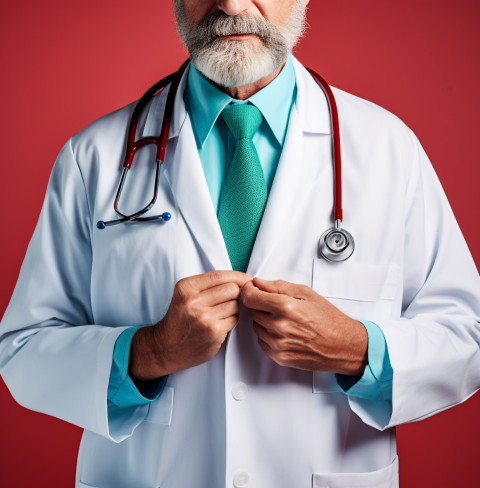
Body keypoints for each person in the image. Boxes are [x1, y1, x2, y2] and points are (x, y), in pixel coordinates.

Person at [0, 0, 479, 487]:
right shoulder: (95, 157)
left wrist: (358, 349)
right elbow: (24, 349)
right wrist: (147, 353)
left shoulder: (386, 149)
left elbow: (468, 334)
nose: (230, 4)